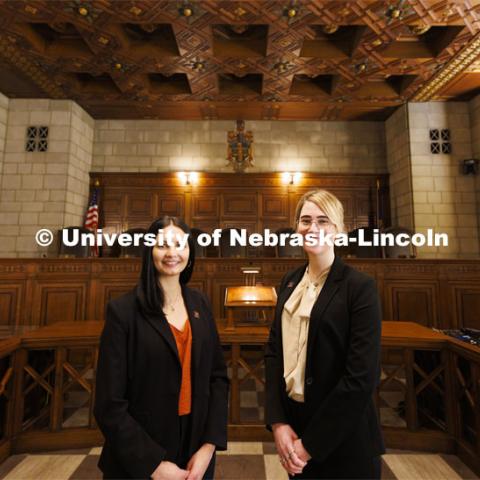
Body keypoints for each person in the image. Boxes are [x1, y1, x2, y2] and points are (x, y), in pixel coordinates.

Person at [94, 216, 229, 480]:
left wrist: (208, 447)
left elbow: (218, 378)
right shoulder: (123, 312)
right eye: (163, 245)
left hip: (195, 451)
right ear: (149, 252)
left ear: (190, 253)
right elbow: (109, 404)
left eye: (180, 244)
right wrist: (153, 465)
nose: (172, 253)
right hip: (139, 457)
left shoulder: (200, 303)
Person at [265, 189, 385, 479]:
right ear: (296, 227)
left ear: (338, 229)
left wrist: (310, 446)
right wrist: (278, 423)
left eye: (323, 220)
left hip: (344, 439)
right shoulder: (290, 281)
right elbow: (273, 352)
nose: (313, 228)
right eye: (305, 220)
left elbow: (360, 378)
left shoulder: (360, 287)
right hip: (295, 431)